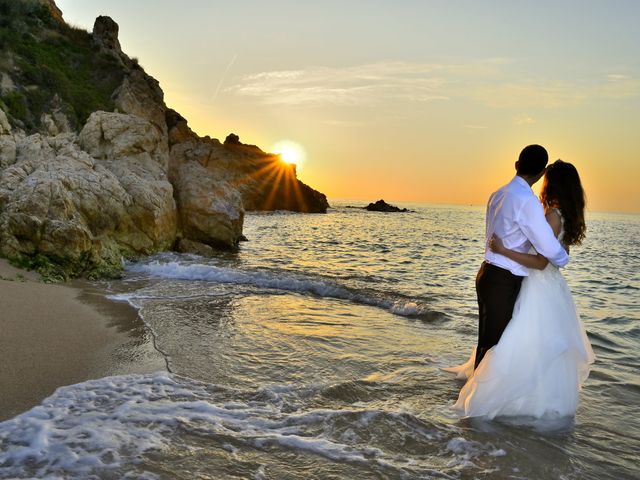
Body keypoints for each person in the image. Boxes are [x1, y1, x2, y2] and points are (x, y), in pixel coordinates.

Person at [446, 159, 595, 419]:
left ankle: (495, 398)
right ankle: (536, 400)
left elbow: (539, 262)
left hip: (538, 285)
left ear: (552, 184)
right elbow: (557, 255)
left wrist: (504, 250)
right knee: (540, 345)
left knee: (520, 342)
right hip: (553, 287)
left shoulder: (551, 216)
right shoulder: (563, 215)